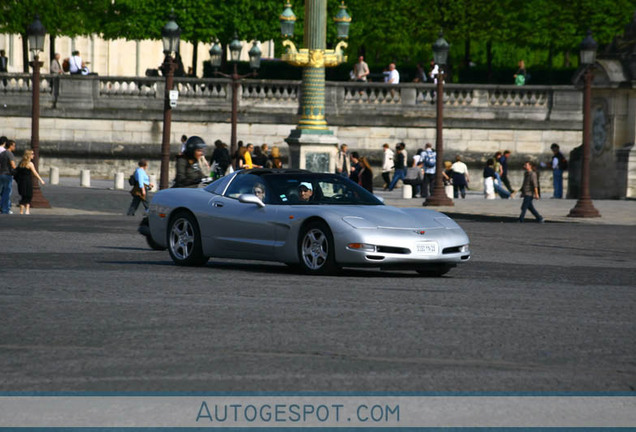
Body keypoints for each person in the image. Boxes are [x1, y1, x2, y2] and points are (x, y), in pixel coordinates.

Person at [14, 149, 45, 215]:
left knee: (23, 196)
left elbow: (16, 173)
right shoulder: (30, 164)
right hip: (27, 182)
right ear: (29, 155)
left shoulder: (21, 163)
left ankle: (21, 211)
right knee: (29, 195)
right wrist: (41, 180)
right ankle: (27, 210)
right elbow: (35, 173)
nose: (33, 155)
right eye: (32, 154)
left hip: (21, 182)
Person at [0, 139, 17, 214]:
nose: (15, 147)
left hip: (1, 174)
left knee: (2, 192)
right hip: (7, 174)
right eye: (14, 146)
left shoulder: (2, 153)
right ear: (10, 146)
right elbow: (13, 165)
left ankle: (2, 207)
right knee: (7, 192)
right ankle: (5, 209)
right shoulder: (10, 154)